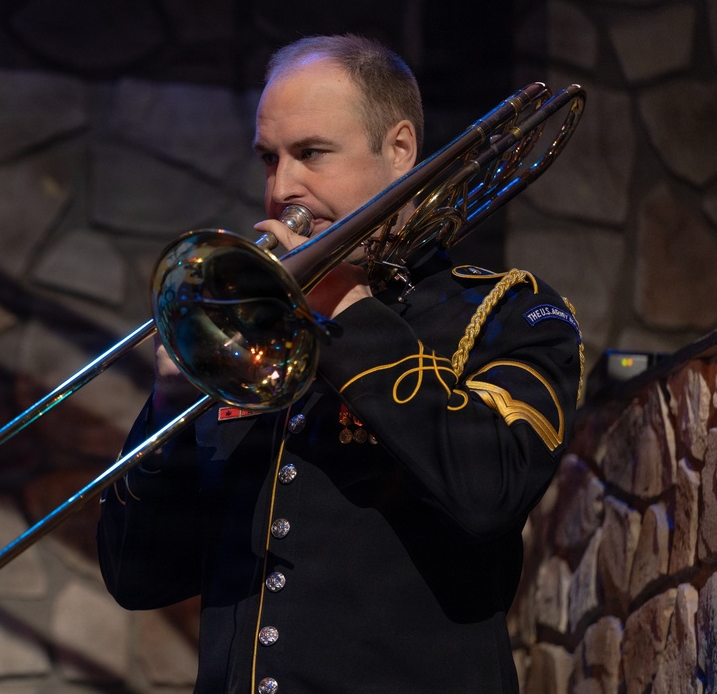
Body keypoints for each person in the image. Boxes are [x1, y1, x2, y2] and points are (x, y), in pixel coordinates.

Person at [97, 34, 583, 693]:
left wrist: (344, 312)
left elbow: (490, 491)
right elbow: (136, 576)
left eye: (311, 154)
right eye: (270, 159)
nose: (281, 188)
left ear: (400, 150)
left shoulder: (504, 313)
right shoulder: (254, 332)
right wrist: (170, 405)